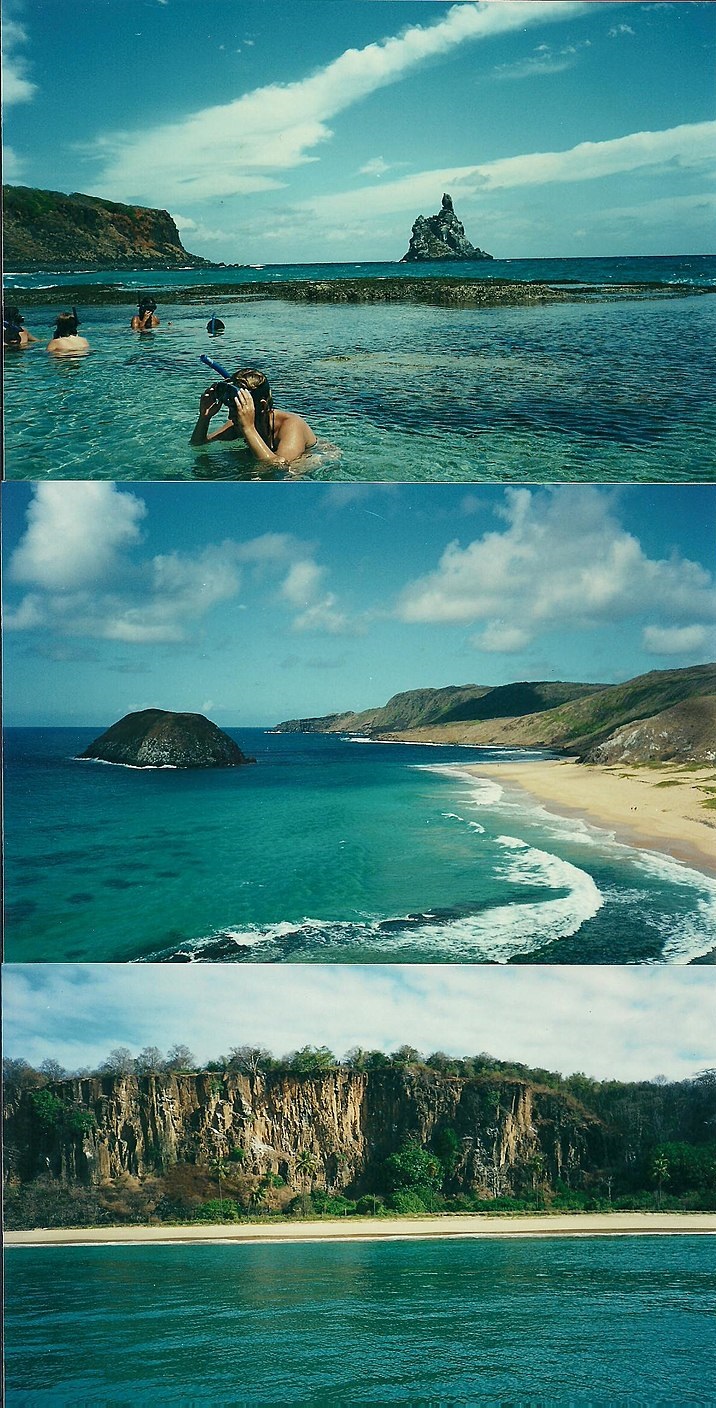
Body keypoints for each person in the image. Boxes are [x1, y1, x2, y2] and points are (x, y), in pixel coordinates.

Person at [190, 367, 316, 471]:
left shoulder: (291, 424)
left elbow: (279, 468)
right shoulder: (238, 424)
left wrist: (248, 428)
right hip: (271, 460)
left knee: (296, 470)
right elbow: (198, 444)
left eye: (237, 410)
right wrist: (204, 418)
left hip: (316, 458)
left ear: (261, 406)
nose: (230, 417)